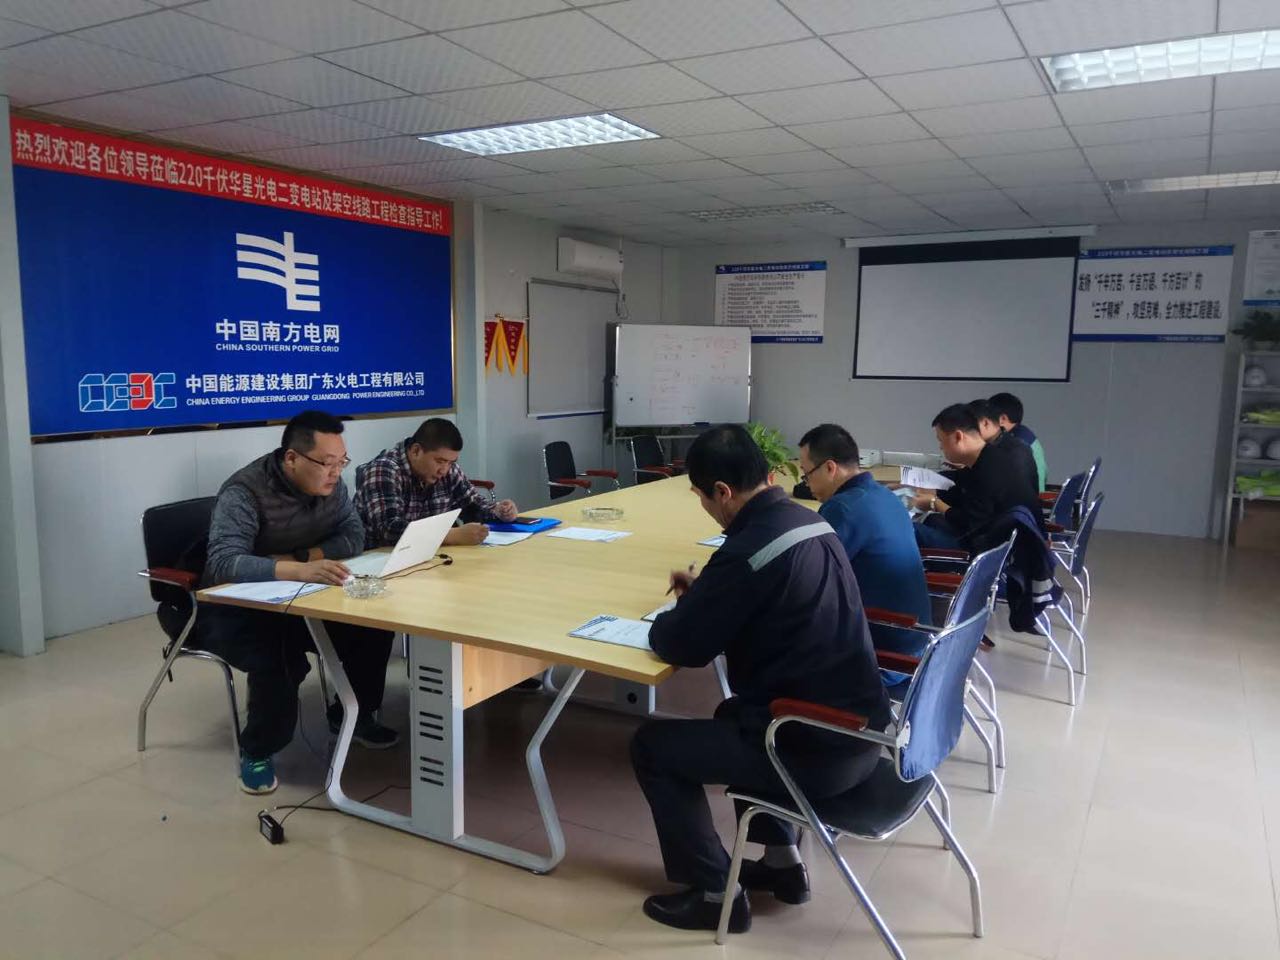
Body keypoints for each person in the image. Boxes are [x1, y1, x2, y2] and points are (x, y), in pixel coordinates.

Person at [631, 425, 892, 934]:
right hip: (862, 730)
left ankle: (713, 894)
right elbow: (765, 600)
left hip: (817, 750)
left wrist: (673, 616)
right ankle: (782, 866)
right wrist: (708, 598)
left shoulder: (747, 549)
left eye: (702, 498)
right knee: (735, 714)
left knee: (652, 746)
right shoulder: (809, 521)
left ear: (722, 491)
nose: (706, 507)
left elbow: (682, 647)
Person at [195, 411, 397, 795]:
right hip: (234, 607)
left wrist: (301, 560)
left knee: (372, 626)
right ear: (292, 458)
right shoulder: (245, 491)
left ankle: (351, 715)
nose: (336, 473)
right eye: (327, 463)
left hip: (299, 594)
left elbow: (355, 534)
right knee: (280, 658)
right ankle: (258, 750)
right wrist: (297, 570)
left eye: (342, 462)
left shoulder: (330, 486)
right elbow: (223, 563)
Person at [797, 423, 931, 667]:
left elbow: (808, 580)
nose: (807, 484)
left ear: (829, 468)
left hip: (884, 652)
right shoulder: (883, 494)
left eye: (806, 475)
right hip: (917, 640)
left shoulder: (843, 508)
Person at [355, 418, 518, 548]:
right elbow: (389, 530)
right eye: (440, 461)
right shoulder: (384, 470)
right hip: (378, 559)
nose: (444, 470)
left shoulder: (449, 470)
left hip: (426, 557)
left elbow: (472, 506)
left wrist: (499, 511)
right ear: (416, 451)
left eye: (451, 462)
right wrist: (451, 536)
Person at [913, 403, 1044, 551]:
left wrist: (935, 504)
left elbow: (970, 523)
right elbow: (963, 492)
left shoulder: (989, 469)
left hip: (994, 550)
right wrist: (935, 493)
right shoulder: (990, 457)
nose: (941, 447)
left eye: (941, 440)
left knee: (911, 530)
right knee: (931, 520)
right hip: (1000, 539)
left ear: (958, 437)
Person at [988, 391, 1047, 492]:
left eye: (988, 418)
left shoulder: (1016, 442)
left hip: (1027, 496)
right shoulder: (1023, 433)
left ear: (1002, 419)